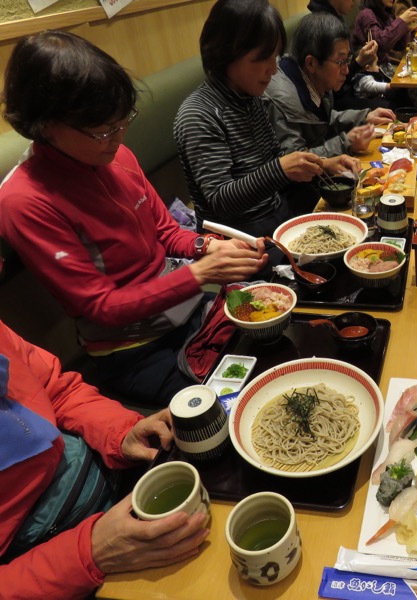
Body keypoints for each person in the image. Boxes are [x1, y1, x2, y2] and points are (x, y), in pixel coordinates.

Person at [0, 31, 268, 406]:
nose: (118, 137)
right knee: (242, 400)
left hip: (187, 310)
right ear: (45, 126)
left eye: (123, 121)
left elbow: (166, 232)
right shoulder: (24, 200)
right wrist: (199, 274)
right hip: (133, 351)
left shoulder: (116, 156)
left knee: (272, 330)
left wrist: (207, 246)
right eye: (102, 131)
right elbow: (102, 307)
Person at [0, 319, 209, 599]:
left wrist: (121, 434)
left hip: (99, 468)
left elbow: (56, 390)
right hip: (47, 558)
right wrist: (88, 554)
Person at [175, 0, 361, 229]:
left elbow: (275, 156)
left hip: (276, 216)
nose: (273, 69)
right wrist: (280, 170)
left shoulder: (250, 98)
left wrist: (324, 164)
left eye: (275, 57)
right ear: (226, 53)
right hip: (238, 240)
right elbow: (220, 200)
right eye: (263, 58)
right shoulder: (198, 114)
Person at [266, 12, 396, 157]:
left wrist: (364, 117)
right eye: (340, 62)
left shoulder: (313, 80)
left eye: (347, 60)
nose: (346, 70)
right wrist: (345, 143)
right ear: (311, 63)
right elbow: (294, 161)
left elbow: (320, 121)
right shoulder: (283, 101)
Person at [307, 0, 386, 109]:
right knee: (392, 107)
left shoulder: (336, 17)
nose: (355, 1)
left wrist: (361, 59)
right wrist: (359, 62)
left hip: (350, 88)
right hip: (336, 100)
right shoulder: (322, 26)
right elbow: (334, 88)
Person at [351, 0, 417, 69]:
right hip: (369, 73)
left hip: (385, 67)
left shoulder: (385, 12)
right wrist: (402, 20)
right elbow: (380, 44)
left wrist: (407, 28)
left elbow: (399, 46)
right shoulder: (366, 14)